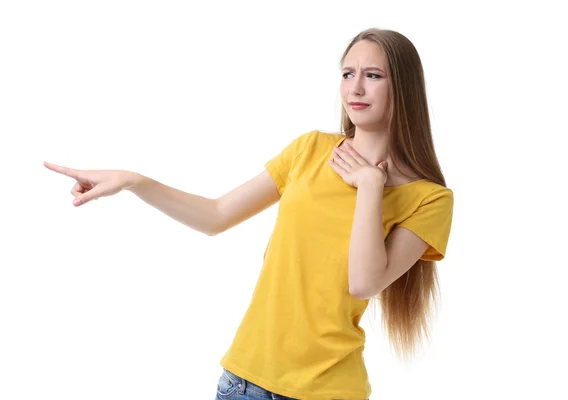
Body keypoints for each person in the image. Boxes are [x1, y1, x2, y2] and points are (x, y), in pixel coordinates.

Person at [44, 27, 454, 400]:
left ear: (404, 86)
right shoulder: (310, 150)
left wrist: (369, 186)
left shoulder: (429, 198)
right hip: (244, 383)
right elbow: (216, 215)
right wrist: (135, 181)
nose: (355, 88)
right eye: (347, 74)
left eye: (373, 75)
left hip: (329, 391)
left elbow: (364, 283)